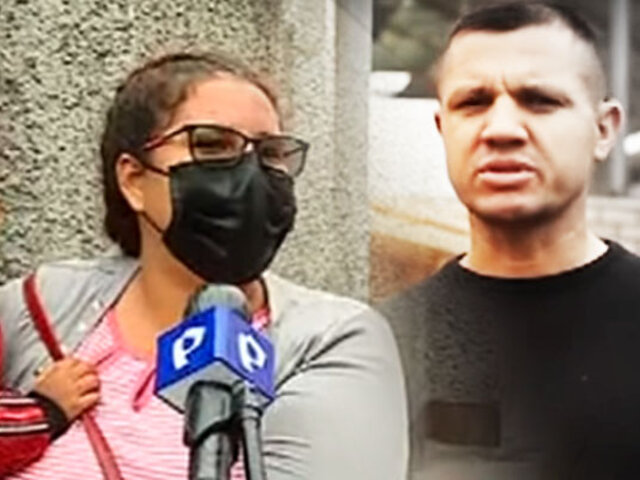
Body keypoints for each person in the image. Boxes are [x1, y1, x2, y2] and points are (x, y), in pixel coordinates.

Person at [0, 52, 408, 480]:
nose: (250, 174)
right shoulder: (36, 307)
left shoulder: (333, 340)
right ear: (134, 180)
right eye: (211, 145)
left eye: (270, 153)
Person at [381, 2, 640, 478]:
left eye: (540, 100)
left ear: (603, 130)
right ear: (443, 128)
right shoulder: (385, 343)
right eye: (473, 102)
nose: (501, 130)